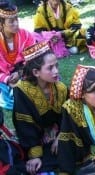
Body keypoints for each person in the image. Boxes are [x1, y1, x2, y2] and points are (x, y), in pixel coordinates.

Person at [12, 41, 67, 174]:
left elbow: (67, 117)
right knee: (36, 162)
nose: (56, 71)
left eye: (56, 66)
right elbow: (24, 124)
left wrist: (61, 136)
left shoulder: (60, 88)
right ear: (36, 72)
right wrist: (35, 155)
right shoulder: (22, 90)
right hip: (33, 137)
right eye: (50, 68)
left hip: (54, 134)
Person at [0, 0, 35, 111]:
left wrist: (20, 73)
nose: (16, 24)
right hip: (4, 76)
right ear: (1, 24)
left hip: (24, 70)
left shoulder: (25, 35)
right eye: (11, 21)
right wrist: (7, 79)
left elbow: (33, 57)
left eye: (17, 20)